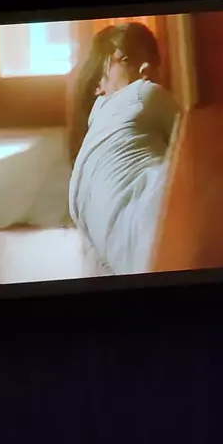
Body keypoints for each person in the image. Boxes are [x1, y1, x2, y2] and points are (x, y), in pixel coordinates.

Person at [69, 22, 180, 276]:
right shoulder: (142, 93)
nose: (146, 67)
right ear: (99, 84)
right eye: (128, 59)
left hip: (126, 261)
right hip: (156, 227)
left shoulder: (93, 139)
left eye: (153, 62)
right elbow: (192, 144)